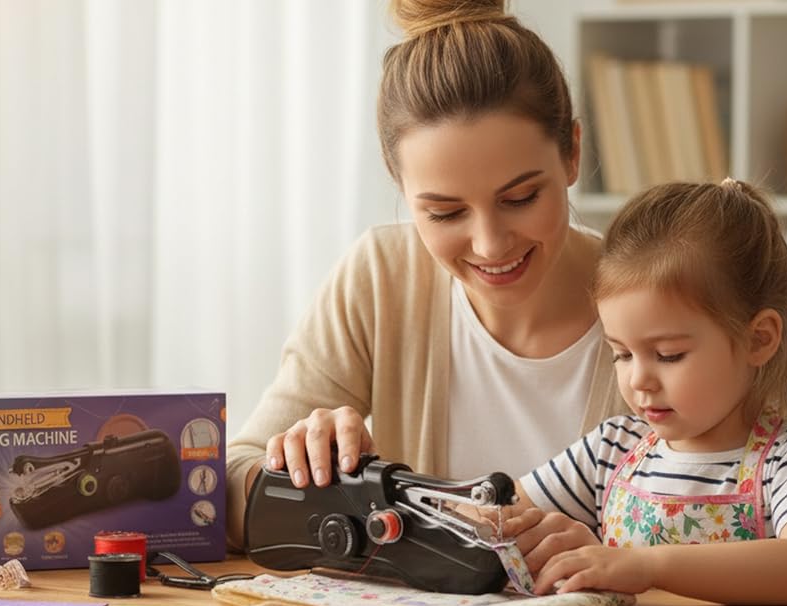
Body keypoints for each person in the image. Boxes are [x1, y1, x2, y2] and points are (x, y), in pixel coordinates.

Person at [223, 0, 630, 550]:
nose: (490, 244)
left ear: (573, 154)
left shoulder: (657, 298)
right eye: (445, 213)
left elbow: (760, 495)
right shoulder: (382, 278)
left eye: (521, 197)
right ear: (400, 186)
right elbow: (223, 486)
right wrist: (298, 469)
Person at [498, 180, 787, 604]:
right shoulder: (611, 450)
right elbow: (500, 511)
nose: (639, 380)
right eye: (621, 354)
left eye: (668, 355)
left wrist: (648, 566)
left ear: (759, 339)